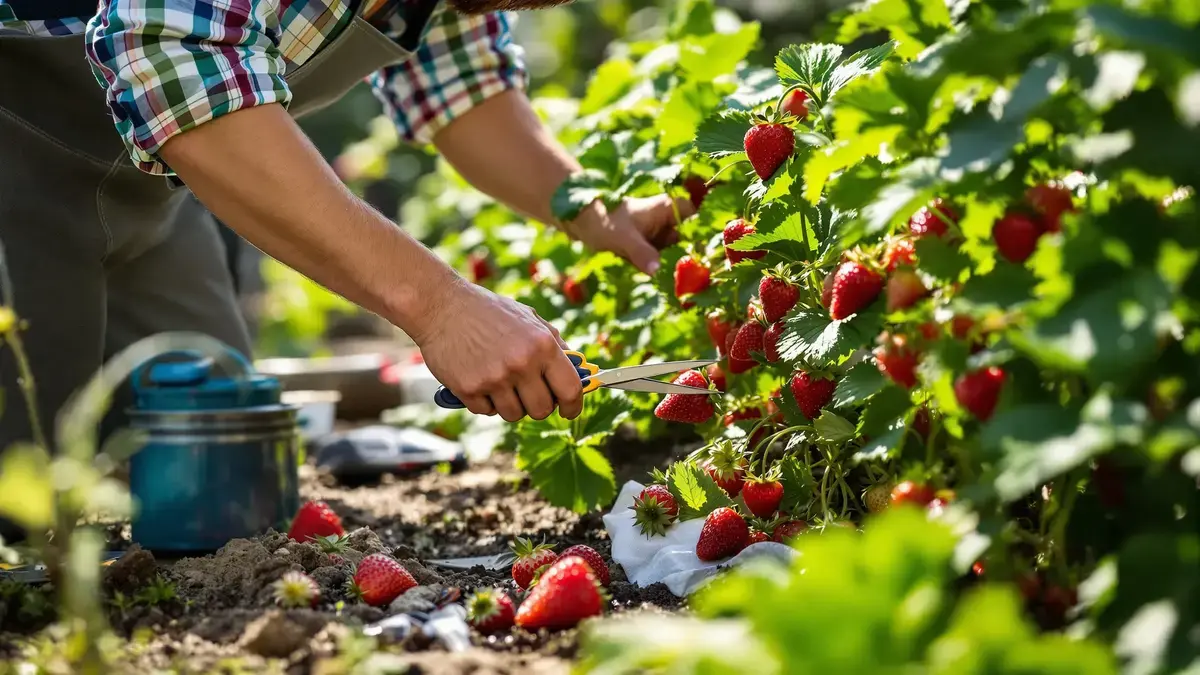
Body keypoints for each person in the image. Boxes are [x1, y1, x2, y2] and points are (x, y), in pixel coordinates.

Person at [0, 0, 696, 460]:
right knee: (19, 510)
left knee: (220, 472)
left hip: (139, 193)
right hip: (16, 142)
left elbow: (464, 84)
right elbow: (171, 57)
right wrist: (441, 305)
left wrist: (599, 212)